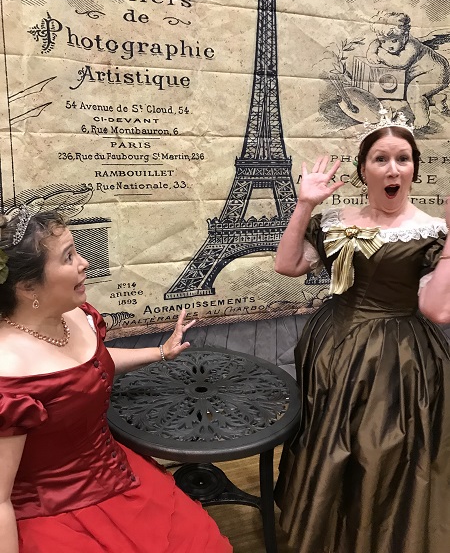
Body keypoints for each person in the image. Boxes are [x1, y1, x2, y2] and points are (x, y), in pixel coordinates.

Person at [0, 208, 232, 553]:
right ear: (27, 286)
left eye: (77, 251)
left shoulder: (76, 316)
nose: (85, 263)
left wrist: (161, 352)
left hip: (117, 473)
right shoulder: (10, 372)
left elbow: (91, 367)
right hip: (54, 515)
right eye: (68, 258)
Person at [273, 119, 450, 553]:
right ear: (363, 168)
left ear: (413, 168)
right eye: (381, 158)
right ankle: (325, 530)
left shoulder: (431, 232)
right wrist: (304, 205)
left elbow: (438, 310)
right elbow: (288, 265)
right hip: (331, 346)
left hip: (399, 357)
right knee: (327, 439)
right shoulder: (337, 219)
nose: (393, 168)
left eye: (403, 159)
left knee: (381, 448)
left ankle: (380, 535)